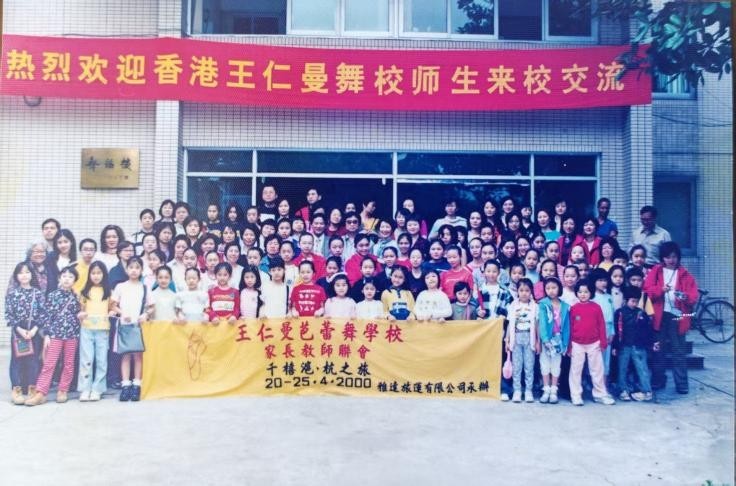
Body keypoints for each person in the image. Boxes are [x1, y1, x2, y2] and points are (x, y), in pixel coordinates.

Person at [644, 241, 698, 395]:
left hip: (677, 316)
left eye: (674, 256)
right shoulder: (656, 271)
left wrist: (685, 297)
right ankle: (658, 381)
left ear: (678, 257)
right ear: (662, 258)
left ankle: (681, 384)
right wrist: (660, 290)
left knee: (678, 351)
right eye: (667, 257)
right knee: (658, 350)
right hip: (659, 316)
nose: (671, 260)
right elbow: (647, 291)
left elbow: (693, 296)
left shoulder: (685, 274)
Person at [25, 266, 81, 407]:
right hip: (55, 335)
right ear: (59, 278)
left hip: (72, 335)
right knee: (49, 364)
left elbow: (79, 315)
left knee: (69, 364)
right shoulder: (52, 295)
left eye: (70, 277)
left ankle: (63, 390)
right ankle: (41, 393)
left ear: (75, 280)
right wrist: (47, 335)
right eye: (64, 276)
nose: (67, 279)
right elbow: (46, 317)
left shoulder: (77, 297)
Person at [568, 280, 615, 406]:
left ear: (591, 293)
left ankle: (600, 394)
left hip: (594, 343)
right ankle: (576, 395)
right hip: (577, 343)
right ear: (576, 293)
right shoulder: (573, 308)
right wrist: (569, 346)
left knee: (597, 370)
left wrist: (603, 342)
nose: (583, 294)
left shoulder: (596, 307)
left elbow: (601, 325)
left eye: (586, 292)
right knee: (576, 370)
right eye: (580, 292)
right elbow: (570, 328)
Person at [110, 256, 150, 402]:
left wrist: (145, 314)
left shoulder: (144, 287)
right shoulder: (120, 287)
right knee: (125, 355)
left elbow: (151, 306)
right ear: (126, 270)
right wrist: (122, 313)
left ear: (141, 270)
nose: (134, 270)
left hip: (138, 326)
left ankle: (137, 384)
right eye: (131, 267)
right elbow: (112, 305)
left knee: (138, 355)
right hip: (124, 325)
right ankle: (126, 385)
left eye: (137, 267)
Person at [6, 262, 46, 405]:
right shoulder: (12, 294)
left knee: (33, 360)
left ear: (31, 275)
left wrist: (34, 330)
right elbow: (9, 315)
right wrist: (20, 330)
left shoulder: (38, 293)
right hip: (19, 332)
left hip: (33, 331)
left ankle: (32, 388)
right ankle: (16, 389)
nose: (24, 275)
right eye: (21, 272)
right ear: (16, 276)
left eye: (27, 272)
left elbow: (42, 314)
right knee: (17, 361)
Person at [77, 261, 112, 401]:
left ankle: (98, 389)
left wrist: (112, 312)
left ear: (104, 274)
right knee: (86, 359)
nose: (96, 276)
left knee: (101, 360)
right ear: (89, 274)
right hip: (87, 328)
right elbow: (81, 310)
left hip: (103, 329)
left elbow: (112, 308)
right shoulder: (84, 292)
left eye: (99, 273)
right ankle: (85, 389)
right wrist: (80, 315)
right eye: (93, 273)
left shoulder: (108, 292)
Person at [613, 286, 655, 402]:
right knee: (622, 368)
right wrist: (615, 346)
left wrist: (651, 342)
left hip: (638, 346)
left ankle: (647, 391)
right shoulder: (619, 313)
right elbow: (616, 331)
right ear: (626, 300)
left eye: (636, 301)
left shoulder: (641, 313)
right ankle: (623, 390)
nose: (634, 304)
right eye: (632, 301)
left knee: (642, 368)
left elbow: (648, 330)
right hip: (623, 345)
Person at [537, 277, 570, 404]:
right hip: (546, 339)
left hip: (559, 340)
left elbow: (567, 326)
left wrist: (566, 343)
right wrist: (545, 339)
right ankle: (546, 389)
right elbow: (542, 323)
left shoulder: (565, 306)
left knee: (556, 365)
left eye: (554, 288)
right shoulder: (543, 304)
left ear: (559, 288)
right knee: (545, 364)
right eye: (548, 288)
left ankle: (554, 390)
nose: (551, 290)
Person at [506, 278, 538, 403]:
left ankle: (528, 391)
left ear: (531, 292)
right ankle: (517, 391)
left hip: (529, 339)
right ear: (517, 291)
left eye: (527, 290)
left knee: (529, 366)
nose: (524, 293)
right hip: (516, 339)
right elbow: (510, 324)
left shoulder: (535, 306)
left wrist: (537, 341)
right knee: (517, 366)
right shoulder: (513, 305)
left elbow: (537, 324)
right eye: (521, 290)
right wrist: (507, 340)